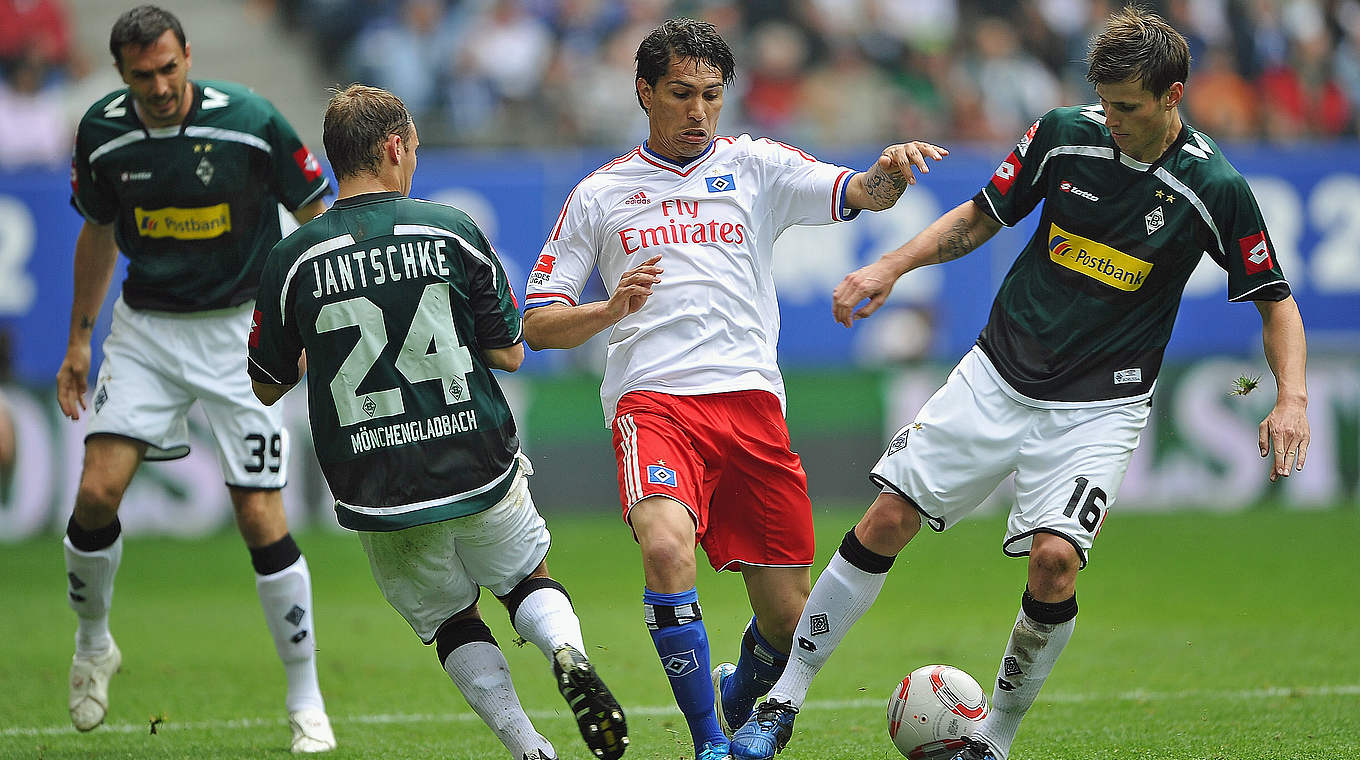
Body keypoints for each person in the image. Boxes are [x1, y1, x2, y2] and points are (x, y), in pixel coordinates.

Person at [730, 8, 1311, 760]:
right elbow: (982, 216)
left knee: (1055, 561)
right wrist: (890, 266)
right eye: (1105, 102)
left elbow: (1277, 301)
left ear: (1173, 95)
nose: (1112, 120)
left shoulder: (1215, 186)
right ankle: (783, 700)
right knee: (886, 519)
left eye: (1128, 107)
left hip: (1100, 405)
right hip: (998, 373)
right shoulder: (1063, 133)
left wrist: (1291, 398)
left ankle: (994, 739)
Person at [521, 17, 947, 760]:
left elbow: (862, 192)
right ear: (644, 92)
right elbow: (538, 323)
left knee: (791, 624)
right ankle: (711, 742)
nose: (698, 112)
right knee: (665, 549)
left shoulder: (756, 165)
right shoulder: (600, 193)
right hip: (652, 403)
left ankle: (741, 683)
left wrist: (892, 173)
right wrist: (610, 308)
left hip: (750, 403)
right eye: (680, 94)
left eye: (712, 96)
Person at [248, 83, 629, 760]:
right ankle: (567, 650)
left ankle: (528, 748)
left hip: (377, 483)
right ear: (393, 147)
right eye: (414, 146)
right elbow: (510, 351)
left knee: (453, 621)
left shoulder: (292, 259)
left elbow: (267, 383)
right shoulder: (449, 228)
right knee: (525, 583)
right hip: (474, 458)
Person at [57, 5, 335, 752]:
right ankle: (92, 645)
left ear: (189, 56)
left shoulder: (248, 120)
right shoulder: (104, 131)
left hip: (237, 333)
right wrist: (80, 341)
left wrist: (298, 322)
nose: (159, 85)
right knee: (94, 492)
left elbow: (314, 209)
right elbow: (98, 232)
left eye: (169, 68)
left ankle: (306, 698)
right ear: (121, 74)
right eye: (142, 75)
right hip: (146, 330)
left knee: (260, 518)